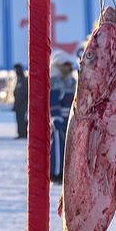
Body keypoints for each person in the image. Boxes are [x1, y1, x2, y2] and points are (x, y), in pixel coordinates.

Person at [49, 51, 77, 184]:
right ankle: (55, 172)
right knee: (57, 146)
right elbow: (53, 101)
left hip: (70, 119)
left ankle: (66, 172)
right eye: (65, 65)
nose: (69, 68)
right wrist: (55, 117)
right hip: (59, 119)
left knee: (70, 146)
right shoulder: (54, 81)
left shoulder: (71, 81)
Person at [13, 64, 29, 139]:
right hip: (18, 105)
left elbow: (25, 93)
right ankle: (20, 133)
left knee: (23, 120)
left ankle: (24, 134)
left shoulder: (24, 80)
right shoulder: (18, 80)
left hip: (23, 105)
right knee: (19, 120)